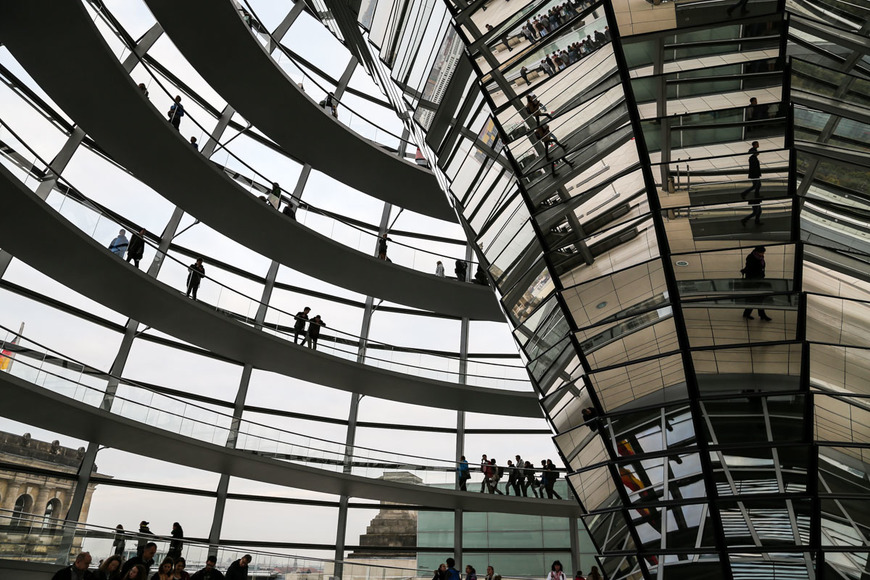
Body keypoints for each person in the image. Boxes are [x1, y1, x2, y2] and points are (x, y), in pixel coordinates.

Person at [741, 246, 772, 321]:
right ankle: (760, 315)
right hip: (753, 282)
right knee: (756, 298)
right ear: (757, 251)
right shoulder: (751, 257)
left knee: (757, 298)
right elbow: (749, 268)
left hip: (759, 280)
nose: (763, 254)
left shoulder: (760, 257)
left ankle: (749, 313)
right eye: (762, 252)